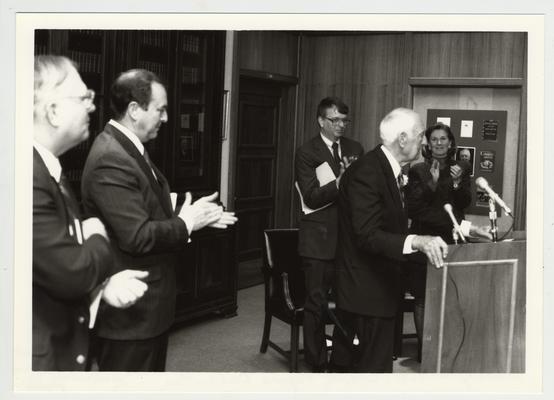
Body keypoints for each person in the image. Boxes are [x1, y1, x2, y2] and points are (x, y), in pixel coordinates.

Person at [81, 69, 237, 371]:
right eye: (161, 110)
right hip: (131, 315)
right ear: (135, 110)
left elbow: (146, 199)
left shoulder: (127, 146)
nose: (165, 119)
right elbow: (137, 235)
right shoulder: (111, 157)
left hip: (147, 309)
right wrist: (188, 222)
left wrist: (193, 212)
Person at [33, 55, 149, 371]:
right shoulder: (28, 175)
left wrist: (101, 285)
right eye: (83, 97)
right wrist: (96, 232)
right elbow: (74, 270)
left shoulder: (48, 168)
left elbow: (52, 264)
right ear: (53, 111)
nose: (92, 107)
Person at [330, 108, 449, 373]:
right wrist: (416, 240)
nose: (425, 142)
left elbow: (398, 222)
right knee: (368, 371)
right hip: (365, 291)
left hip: (380, 286)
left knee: (372, 368)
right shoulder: (368, 172)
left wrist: (462, 228)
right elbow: (367, 235)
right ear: (403, 139)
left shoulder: (388, 169)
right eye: (421, 136)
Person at [404, 123, 491, 357]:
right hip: (424, 241)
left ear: (451, 143)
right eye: (434, 139)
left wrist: (454, 182)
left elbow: (463, 203)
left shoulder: (460, 169)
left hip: (453, 241)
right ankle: (426, 352)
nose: (439, 143)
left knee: (451, 297)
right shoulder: (418, 171)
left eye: (443, 139)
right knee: (423, 298)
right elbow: (414, 210)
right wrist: (432, 185)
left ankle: (448, 350)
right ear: (428, 144)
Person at [295, 97, 364, 372]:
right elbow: (311, 198)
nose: (341, 126)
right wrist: (339, 182)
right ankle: (317, 363)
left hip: (349, 240)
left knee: (348, 301)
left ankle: (341, 361)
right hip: (318, 242)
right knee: (316, 304)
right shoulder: (307, 152)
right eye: (335, 120)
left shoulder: (355, 148)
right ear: (321, 121)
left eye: (345, 120)